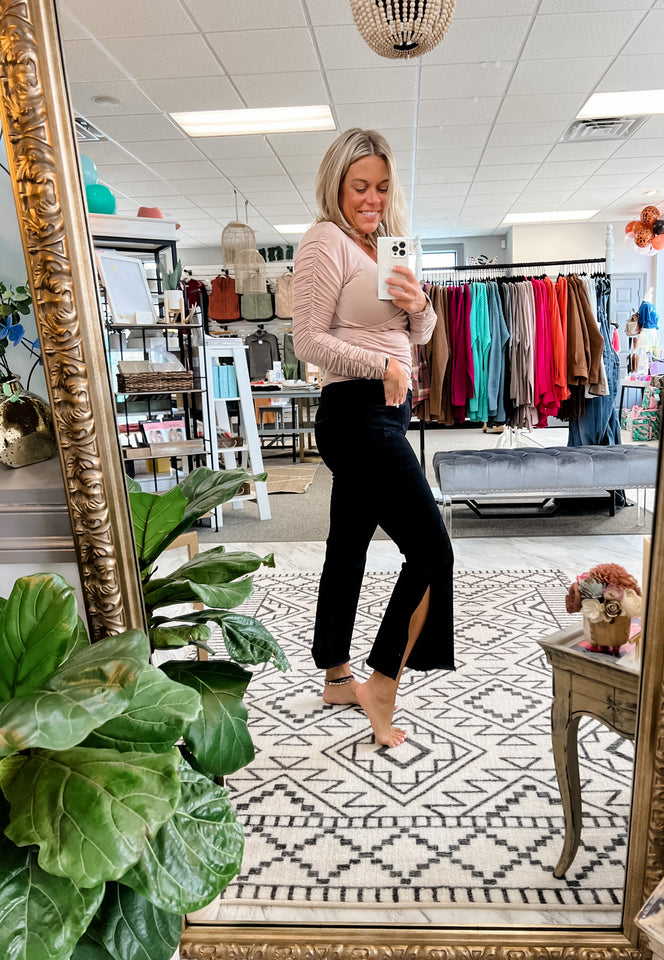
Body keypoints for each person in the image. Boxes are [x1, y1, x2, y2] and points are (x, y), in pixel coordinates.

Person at [293, 128, 455, 748]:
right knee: (432, 551)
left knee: (349, 546)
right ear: (336, 185)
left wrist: (420, 306)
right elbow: (307, 339)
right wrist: (379, 364)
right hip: (355, 411)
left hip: (387, 410)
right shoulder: (324, 241)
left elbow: (418, 334)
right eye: (360, 186)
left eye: (382, 187)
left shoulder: (386, 245)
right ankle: (382, 681)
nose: (372, 198)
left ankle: (337, 674)